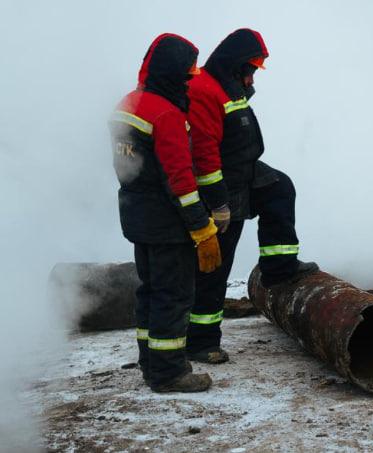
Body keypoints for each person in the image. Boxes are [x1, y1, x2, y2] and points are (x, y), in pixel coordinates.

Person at [185, 28, 318, 363]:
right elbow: (204, 154)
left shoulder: (228, 85)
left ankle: (278, 267)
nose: (252, 76)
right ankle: (201, 341)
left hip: (243, 169)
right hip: (218, 182)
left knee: (279, 187)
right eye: (250, 69)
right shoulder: (203, 90)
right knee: (217, 264)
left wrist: (244, 88)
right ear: (234, 64)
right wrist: (218, 203)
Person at [109, 33, 222, 392]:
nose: (191, 79)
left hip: (137, 217)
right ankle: (170, 373)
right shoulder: (167, 115)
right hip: (167, 224)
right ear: (171, 71)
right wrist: (202, 228)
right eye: (187, 72)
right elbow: (180, 181)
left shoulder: (127, 104)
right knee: (173, 296)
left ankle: (150, 362)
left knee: (150, 292)